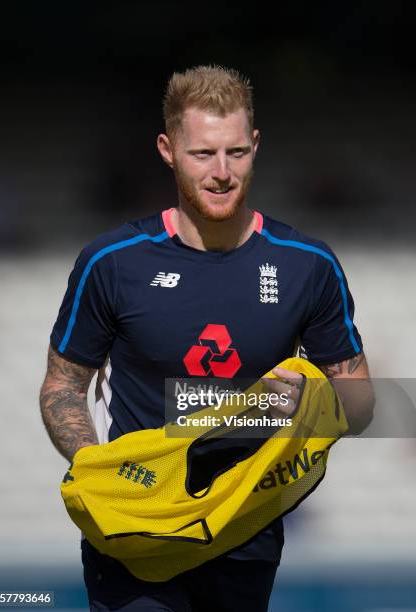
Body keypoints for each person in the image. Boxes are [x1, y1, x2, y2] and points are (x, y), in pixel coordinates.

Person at [40, 65, 374, 611]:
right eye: (202, 154)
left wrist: (309, 399)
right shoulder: (112, 262)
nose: (222, 172)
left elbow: (361, 406)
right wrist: (106, 472)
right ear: (168, 149)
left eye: (236, 152)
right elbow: (61, 386)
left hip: (245, 534)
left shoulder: (307, 264)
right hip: (135, 536)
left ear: (256, 146)